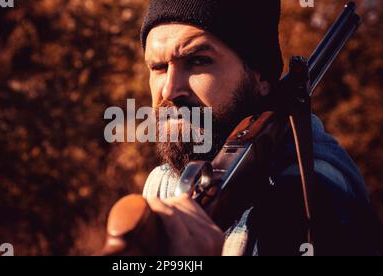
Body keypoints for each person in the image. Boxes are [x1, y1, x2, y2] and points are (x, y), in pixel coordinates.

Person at [139, 0, 382, 256]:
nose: (168, 90)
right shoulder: (162, 184)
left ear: (262, 75)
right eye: (158, 67)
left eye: (198, 61)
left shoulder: (313, 196)